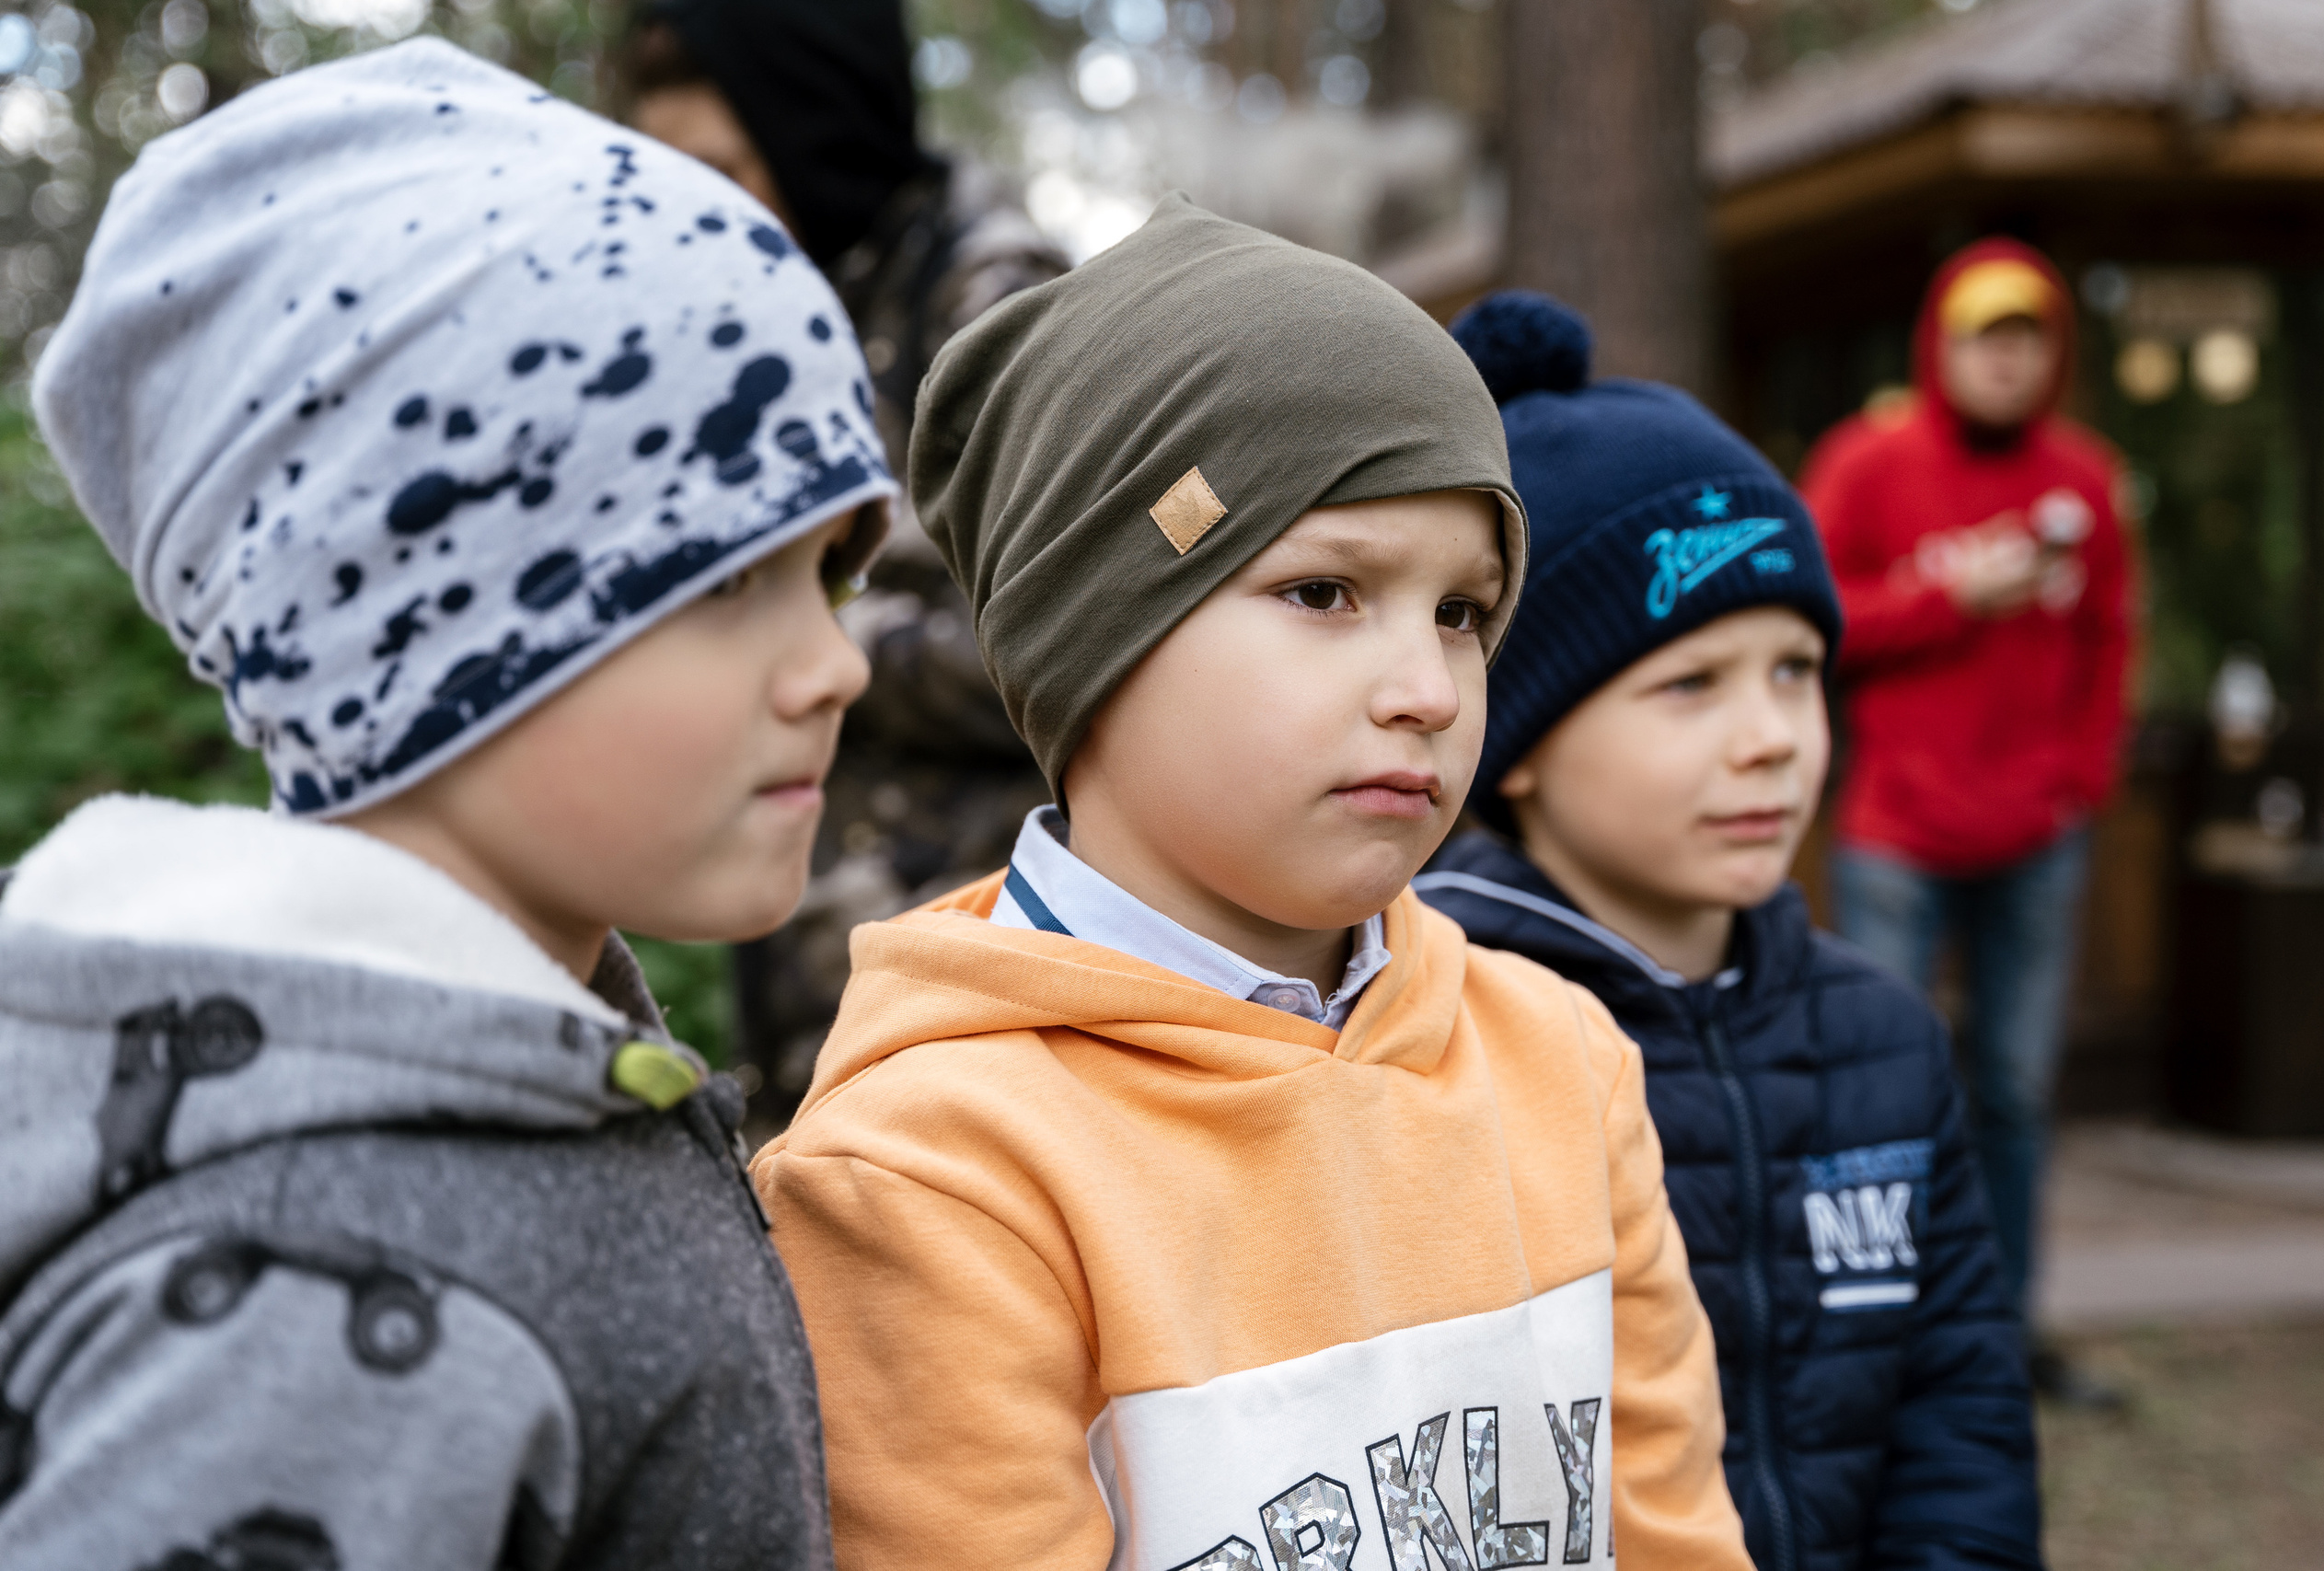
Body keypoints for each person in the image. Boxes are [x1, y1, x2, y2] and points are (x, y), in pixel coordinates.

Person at [752, 197, 1751, 1571]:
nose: (1424, 691)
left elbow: (1676, 1532)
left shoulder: (1562, 1058)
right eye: (1326, 591)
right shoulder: (931, 1172)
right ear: (1095, 634)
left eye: (1462, 611)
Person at [0, 40, 898, 1566]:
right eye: (731, 576)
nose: (838, 666)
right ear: (415, 629)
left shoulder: (521, 1081)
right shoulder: (312, 1282)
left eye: (832, 572)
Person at [1419, 293, 2040, 1571]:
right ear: (1518, 743)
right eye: (1690, 684)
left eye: (1796, 669)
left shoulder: (1886, 1041)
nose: (1769, 735)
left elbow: (1963, 1426)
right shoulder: (1426, 1032)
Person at [624, 0, 1066, 1120]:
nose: (697, 211)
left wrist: (800, 632)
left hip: (987, 988)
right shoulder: (755, 292)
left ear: (815, 128)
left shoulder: (992, 306)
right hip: (808, 957)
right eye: (666, 173)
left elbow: (1080, 639)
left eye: (724, 166)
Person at [1801, 238, 2133, 1404]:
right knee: (1883, 1084)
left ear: (2054, 352)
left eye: (2027, 335)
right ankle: (1881, 1337)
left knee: (2013, 1093)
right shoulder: (1867, 463)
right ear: (1939, 347)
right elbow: (1811, 609)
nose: (2006, 358)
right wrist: (1953, 598)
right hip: (1896, 830)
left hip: (2036, 838)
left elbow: (2111, 642)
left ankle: (2000, 1335)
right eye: (1985, 335)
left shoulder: (2083, 482)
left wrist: (2079, 785)